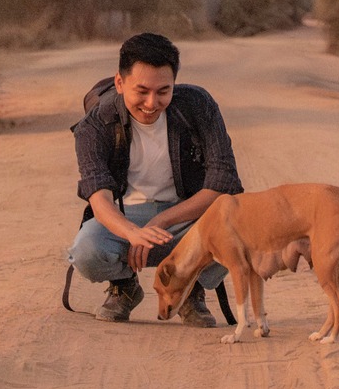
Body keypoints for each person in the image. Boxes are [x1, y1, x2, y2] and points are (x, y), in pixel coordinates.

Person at [68, 31, 243, 325]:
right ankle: (124, 285)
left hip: (188, 218)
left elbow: (222, 182)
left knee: (237, 225)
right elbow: (99, 200)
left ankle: (189, 287)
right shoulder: (96, 124)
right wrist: (131, 232)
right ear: (120, 83)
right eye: (142, 91)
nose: (151, 103)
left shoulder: (198, 105)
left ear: (175, 83)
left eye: (163, 91)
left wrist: (160, 222)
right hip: (126, 217)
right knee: (86, 251)